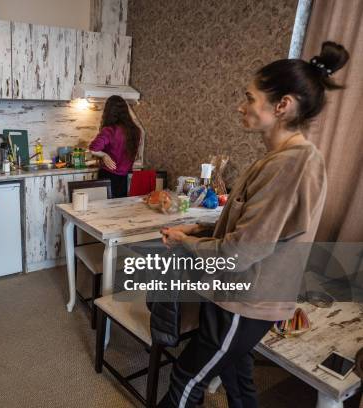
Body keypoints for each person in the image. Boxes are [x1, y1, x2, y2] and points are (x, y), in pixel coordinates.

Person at [156, 41, 349, 408]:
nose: (240, 105)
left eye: (249, 97)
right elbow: (243, 225)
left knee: (187, 377)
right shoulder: (280, 158)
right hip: (240, 295)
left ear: (282, 105)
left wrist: (183, 245)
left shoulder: (289, 165)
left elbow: (240, 252)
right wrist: (194, 232)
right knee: (238, 379)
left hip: (244, 300)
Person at [89, 95, 141, 198]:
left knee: (104, 209)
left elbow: (93, 148)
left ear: (108, 112)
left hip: (108, 176)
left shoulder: (110, 130)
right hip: (124, 177)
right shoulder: (135, 130)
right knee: (119, 209)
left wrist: (104, 155)